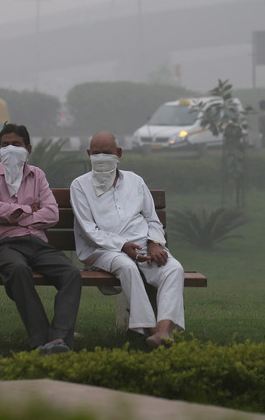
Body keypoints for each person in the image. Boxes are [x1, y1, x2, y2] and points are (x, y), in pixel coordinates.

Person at [70, 131, 185, 348]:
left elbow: (152, 220)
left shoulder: (135, 181)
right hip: (103, 250)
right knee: (127, 267)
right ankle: (151, 331)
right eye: (97, 153)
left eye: (107, 152)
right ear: (89, 154)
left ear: (119, 153)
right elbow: (88, 230)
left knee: (174, 268)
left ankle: (163, 331)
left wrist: (154, 243)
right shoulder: (79, 185)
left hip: (142, 245)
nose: (102, 157)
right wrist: (122, 245)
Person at [0, 123, 82, 355]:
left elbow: (52, 213)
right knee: (18, 269)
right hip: (0, 246)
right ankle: (41, 340)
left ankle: (59, 338)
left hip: (35, 244)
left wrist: (14, 214)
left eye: (16, 144)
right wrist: (30, 210)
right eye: (5, 145)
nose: (10, 149)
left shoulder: (37, 175)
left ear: (28, 148)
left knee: (71, 273)